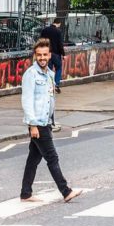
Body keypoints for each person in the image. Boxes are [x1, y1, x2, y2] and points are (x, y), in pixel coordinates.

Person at [20, 39, 82, 203]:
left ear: (50, 55)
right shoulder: (30, 75)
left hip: (45, 122)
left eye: (45, 55)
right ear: (35, 55)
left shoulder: (49, 74)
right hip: (38, 124)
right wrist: (32, 124)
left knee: (33, 159)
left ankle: (25, 193)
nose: (42, 58)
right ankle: (65, 191)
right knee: (52, 158)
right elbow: (27, 100)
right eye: (39, 55)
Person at [39, 17, 66, 94]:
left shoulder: (45, 30)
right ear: (59, 23)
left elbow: (41, 40)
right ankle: (56, 84)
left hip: (46, 53)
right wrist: (63, 54)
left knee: (49, 70)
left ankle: (49, 85)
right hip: (56, 53)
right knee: (58, 68)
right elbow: (60, 44)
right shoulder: (58, 31)